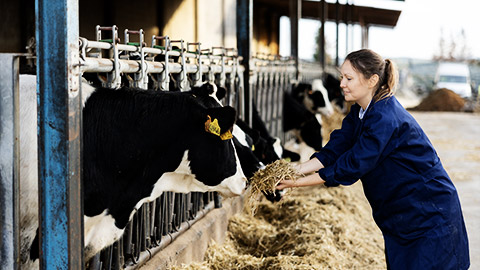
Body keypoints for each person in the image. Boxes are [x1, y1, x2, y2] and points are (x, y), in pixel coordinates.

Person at [276, 49, 470, 270]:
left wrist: (296, 183)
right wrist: (294, 171)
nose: (341, 84)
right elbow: (335, 150)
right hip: (402, 215)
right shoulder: (361, 112)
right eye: (342, 77)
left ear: (372, 81)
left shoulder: (384, 117)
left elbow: (352, 165)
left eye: (349, 78)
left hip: (429, 215)